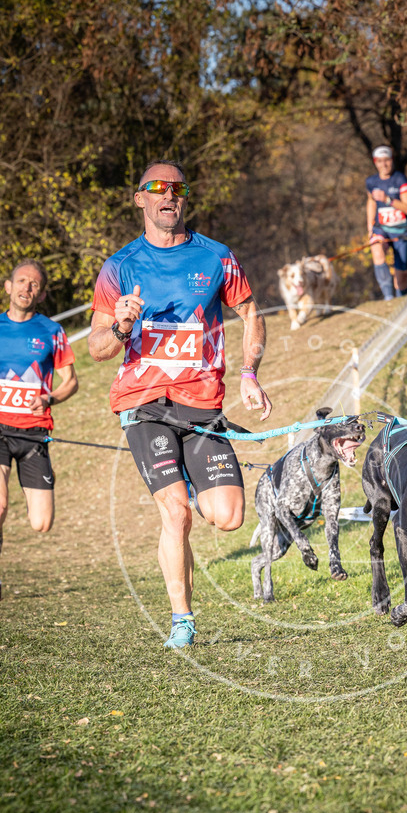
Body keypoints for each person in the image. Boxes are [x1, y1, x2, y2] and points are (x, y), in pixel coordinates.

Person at [88, 159, 272, 649]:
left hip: (202, 404)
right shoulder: (120, 266)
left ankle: (187, 479)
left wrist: (249, 373)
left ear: (184, 198)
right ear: (140, 199)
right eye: (157, 188)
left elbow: (251, 313)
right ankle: (182, 621)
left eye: (177, 188)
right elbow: (97, 348)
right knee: (176, 513)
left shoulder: (216, 257)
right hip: (144, 402)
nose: (169, 195)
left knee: (228, 515)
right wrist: (122, 324)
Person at [0, 260, 78, 603]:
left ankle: (43, 477)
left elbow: (71, 381)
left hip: (34, 436)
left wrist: (50, 398)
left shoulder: (51, 331)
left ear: (41, 293)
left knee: (41, 523)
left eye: (33, 284)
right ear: (7, 286)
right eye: (21, 281)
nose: (26, 288)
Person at [366, 146, 407, 300]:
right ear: (375, 163)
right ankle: (388, 298)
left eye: (387, 160)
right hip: (381, 228)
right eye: (380, 161)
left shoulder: (400, 179)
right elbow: (371, 202)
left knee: (401, 279)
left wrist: (388, 200)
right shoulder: (371, 182)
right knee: (376, 248)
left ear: (391, 161)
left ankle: (402, 301)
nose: (384, 165)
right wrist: (370, 227)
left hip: (400, 230)